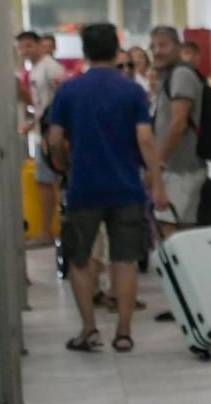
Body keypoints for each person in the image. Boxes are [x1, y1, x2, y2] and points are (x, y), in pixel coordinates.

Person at [43, 22, 162, 353]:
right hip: (126, 187)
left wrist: (65, 167)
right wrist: (157, 181)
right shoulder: (132, 91)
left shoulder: (68, 90)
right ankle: (123, 332)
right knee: (123, 261)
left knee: (80, 260)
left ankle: (89, 329)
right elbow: (145, 138)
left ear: (84, 52)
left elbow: (54, 140)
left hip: (83, 188)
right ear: (115, 50)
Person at [149, 26, 207, 239]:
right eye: (153, 46)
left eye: (163, 45)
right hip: (172, 170)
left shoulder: (181, 75)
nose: (157, 51)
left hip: (182, 170)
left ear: (178, 47)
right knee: (170, 228)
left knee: (175, 232)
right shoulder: (168, 77)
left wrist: (159, 163)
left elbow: (178, 123)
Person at [22, 31, 66, 247]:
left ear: (39, 45)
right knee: (43, 181)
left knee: (47, 181)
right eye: (21, 47)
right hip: (42, 132)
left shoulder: (51, 68)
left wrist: (54, 132)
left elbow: (61, 99)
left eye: (29, 46)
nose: (24, 51)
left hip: (51, 134)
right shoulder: (35, 71)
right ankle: (46, 229)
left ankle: (47, 231)